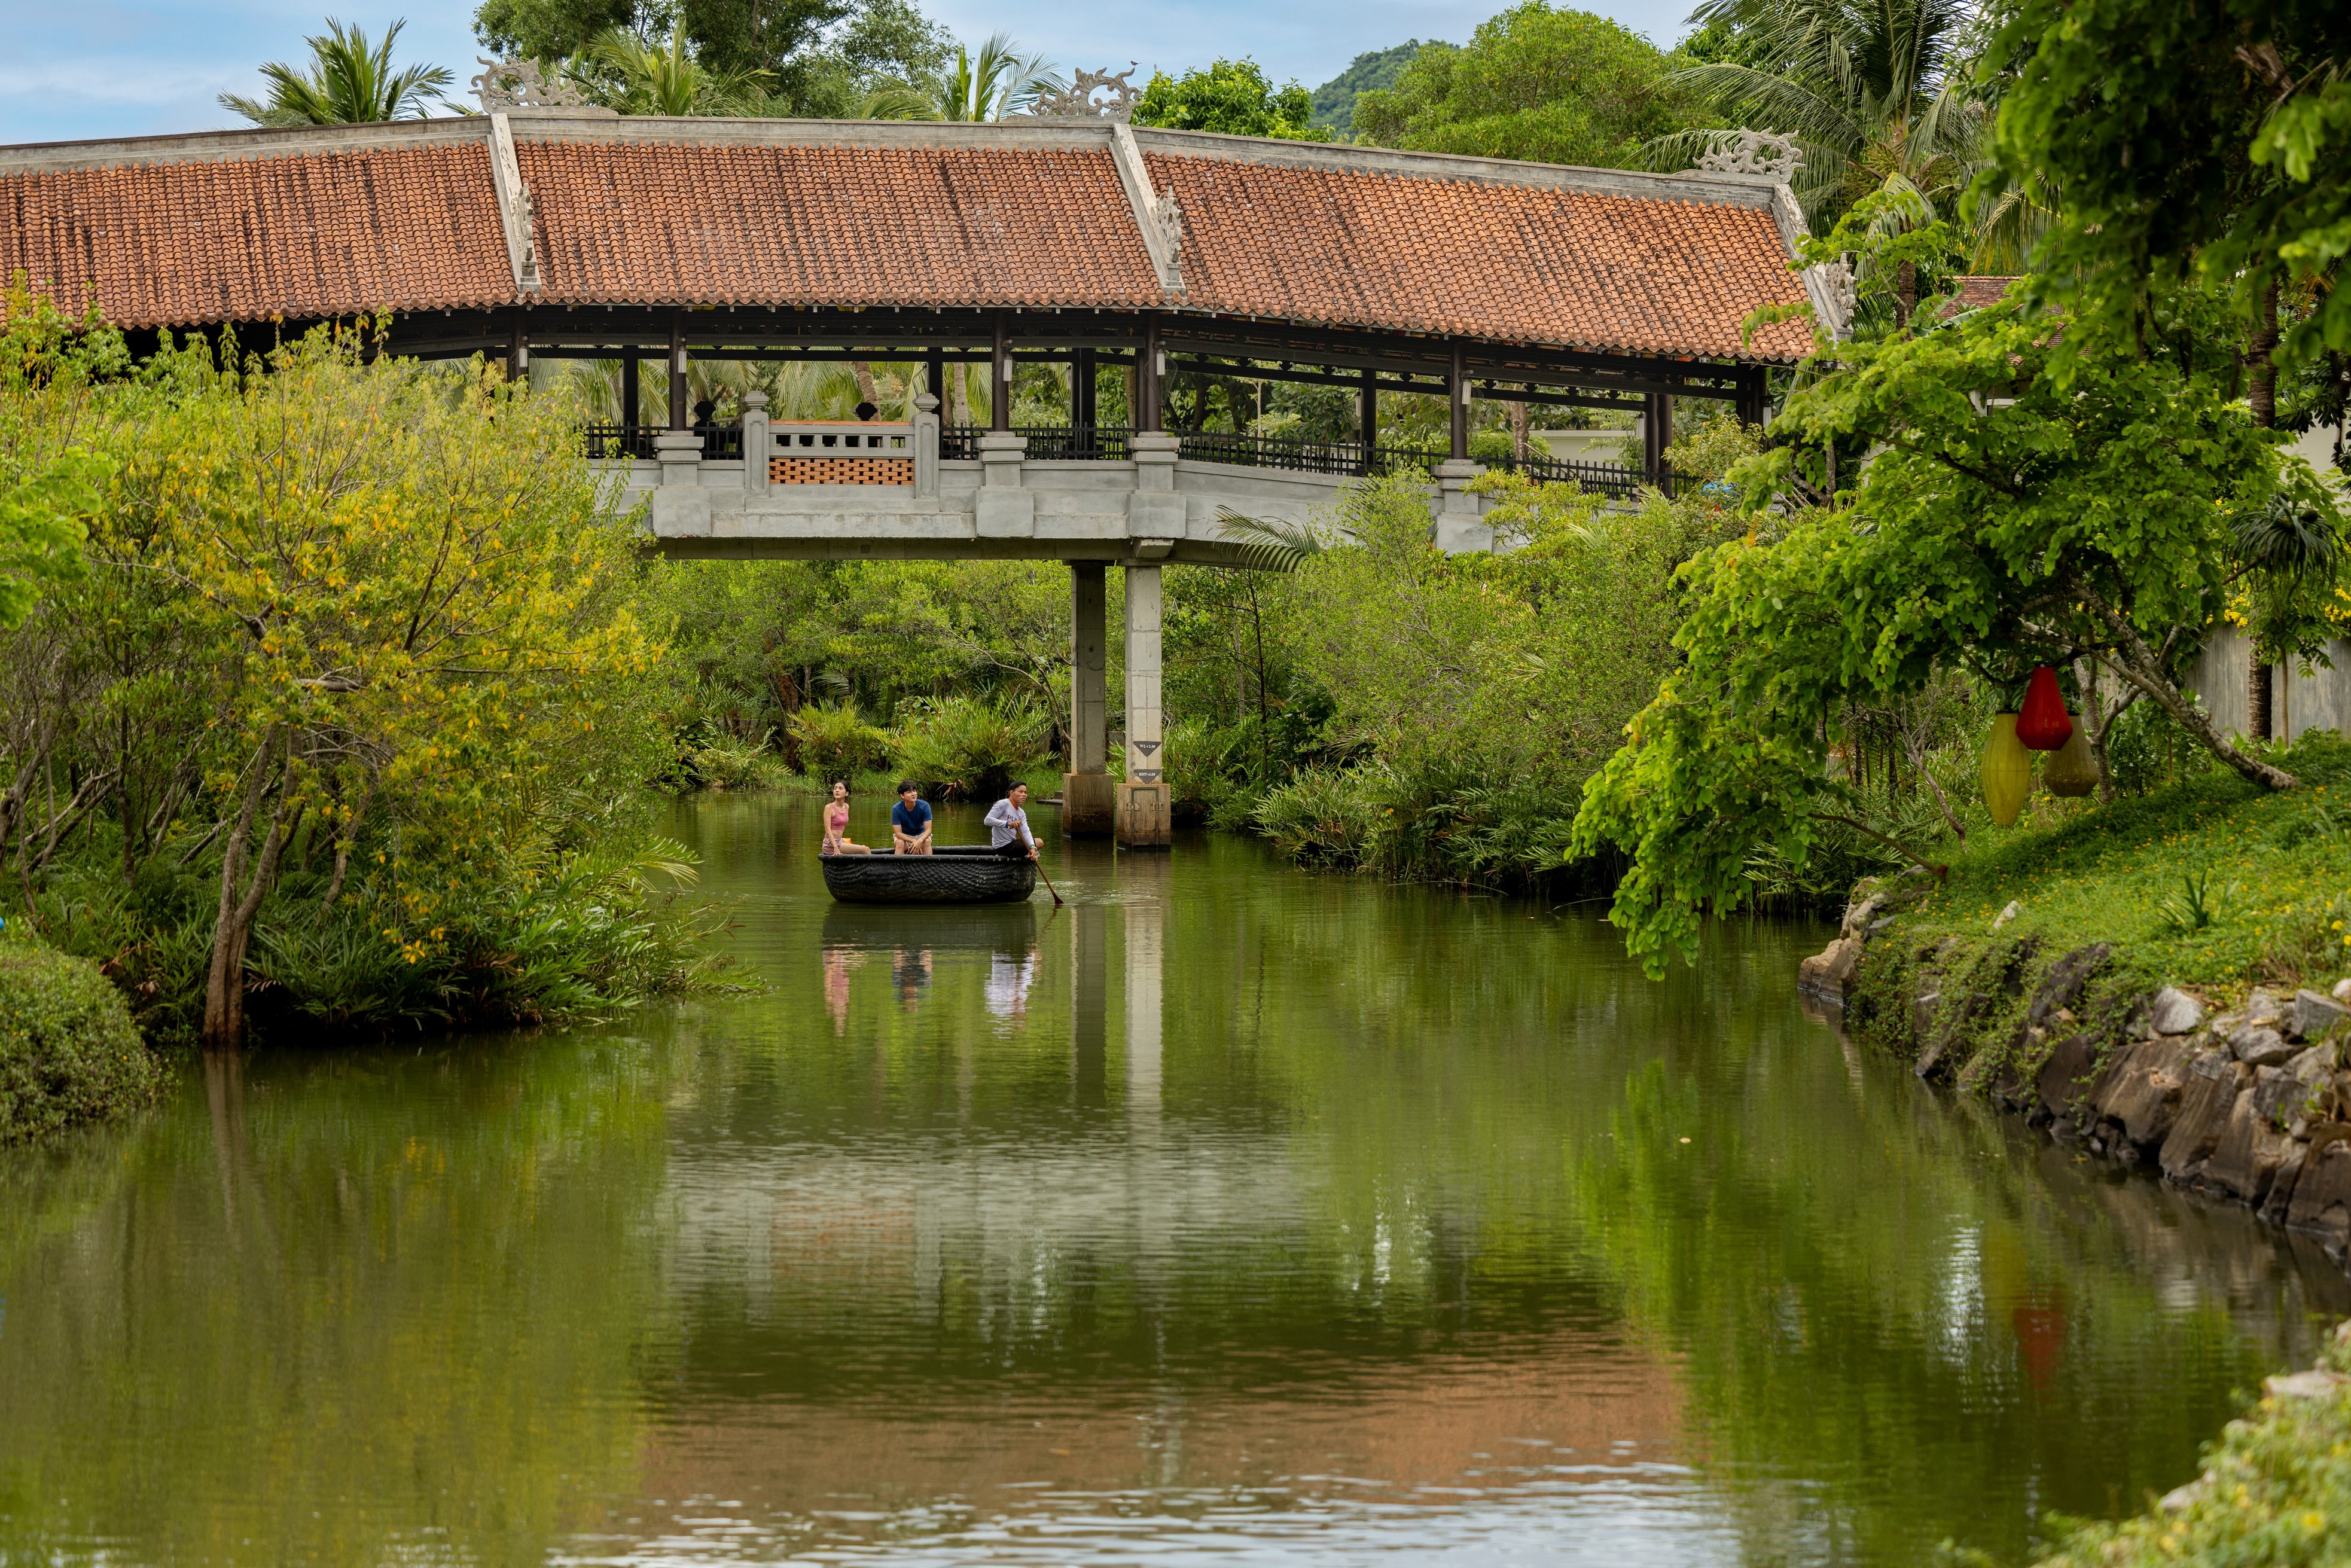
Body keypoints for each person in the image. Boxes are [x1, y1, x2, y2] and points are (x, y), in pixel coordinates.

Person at [984, 782, 1039, 861]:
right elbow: (987, 820)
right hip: (1002, 846)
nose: (1024, 795)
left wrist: (1033, 848)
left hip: (1012, 844)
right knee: (1039, 842)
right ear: (1011, 793)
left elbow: (1025, 831)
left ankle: (1029, 855)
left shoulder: (1021, 812)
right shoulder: (1004, 804)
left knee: (1036, 844)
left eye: (1025, 793)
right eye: (1021, 792)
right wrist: (1008, 824)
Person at [821, 780, 870, 855]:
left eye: (840, 789)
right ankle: (872, 867)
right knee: (866, 850)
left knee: (863, 848)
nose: (837, 790)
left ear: (846, 793)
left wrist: (842, 841)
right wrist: (836, 847)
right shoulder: (829, 808)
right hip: (831, 844)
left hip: (839, 841)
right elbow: (828, 830)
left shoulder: (846, 807)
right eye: (835, 788)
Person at [891, 782, 934, 855]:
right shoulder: (896, 809)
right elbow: (898, 833)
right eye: (909, 792)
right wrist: (912, 841)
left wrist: (919, 841)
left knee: (927, 842)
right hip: (905, 837)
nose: (913, 794)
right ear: (902, 796)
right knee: (900, 843)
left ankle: (928, 865)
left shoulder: (924, 806)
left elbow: (929, 830)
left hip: (921, 835)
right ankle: (898, 866)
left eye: (914, 791)